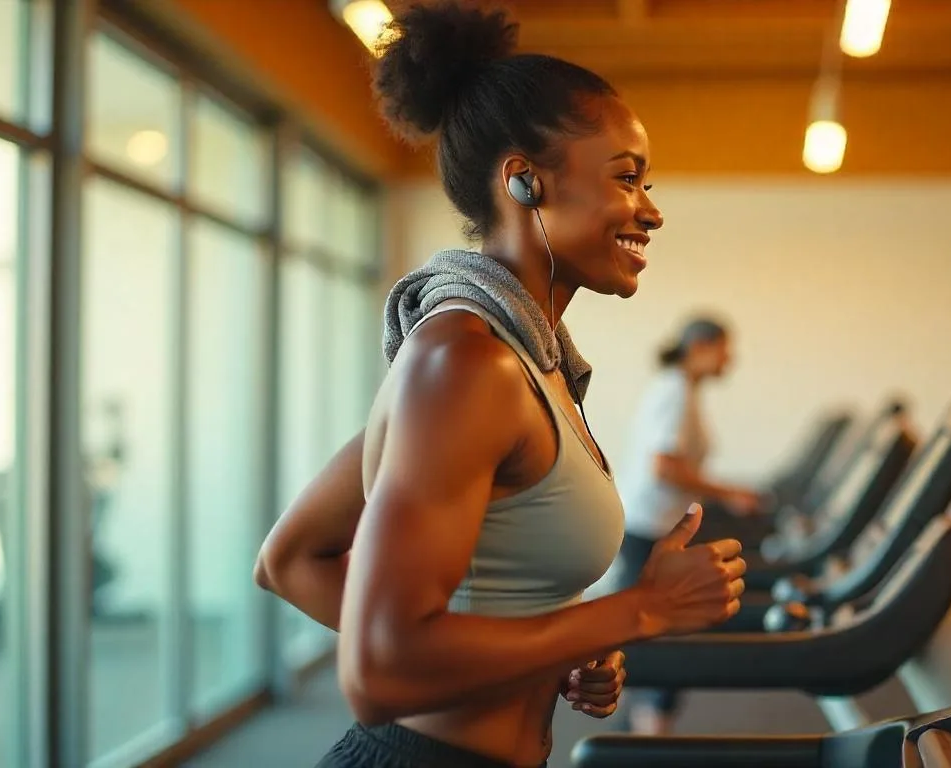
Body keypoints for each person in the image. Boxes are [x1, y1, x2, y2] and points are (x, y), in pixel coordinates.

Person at [250, 3, 747, 768]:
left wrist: (554, 652)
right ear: (524, 182)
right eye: (627, 178)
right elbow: (380, 671)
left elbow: (293, 557)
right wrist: (636, 611)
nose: (650, 210)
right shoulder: (466, 360)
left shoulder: (528, 362)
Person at [609, 316, 764, 735]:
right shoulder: (675, 390)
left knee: (659, 628)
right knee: (664, 631)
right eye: (725, 350)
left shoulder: (680, 389)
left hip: (656, 522)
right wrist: (727, 492)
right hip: (651, 526)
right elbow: (664, 467)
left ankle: (640, 732)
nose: (730, 360)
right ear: (701, 347)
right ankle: (648, 733)